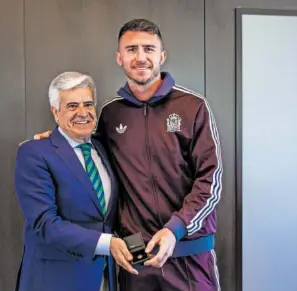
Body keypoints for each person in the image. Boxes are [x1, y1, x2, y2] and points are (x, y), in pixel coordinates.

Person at [35, 19, 222, 291]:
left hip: (188, 252)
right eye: (131, 49)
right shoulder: (111, 114)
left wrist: (175, 229)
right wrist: (54, 139)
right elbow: (85, 151)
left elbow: (211, 180)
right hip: (136, 259)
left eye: (149, 48)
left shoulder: (193, 107)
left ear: (162, 55)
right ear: (119, 58)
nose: (141, 57)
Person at [15, 72, 138, 291]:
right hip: (54, 280)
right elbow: (45, 224)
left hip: (102, 277)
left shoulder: (103, 149)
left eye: (88, 104)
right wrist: (106, 244)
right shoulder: (34, 153)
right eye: (72, 106)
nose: (83, 113)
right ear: (55, 112)